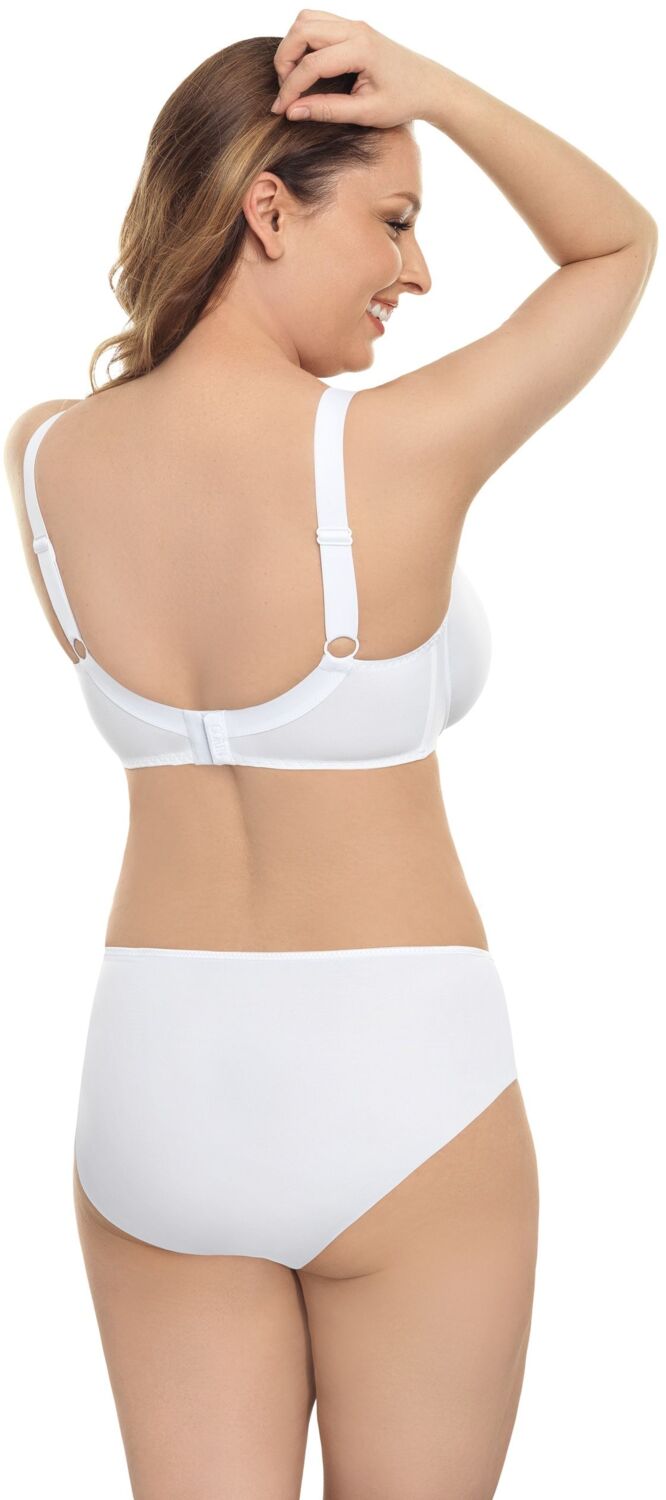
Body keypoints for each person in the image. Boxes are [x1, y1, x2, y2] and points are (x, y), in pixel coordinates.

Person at [4, 15, 657, 1500]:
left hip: (155, 1086)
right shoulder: (391, 452)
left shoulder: (44, 460)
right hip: (399, 1082)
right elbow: (618, 246)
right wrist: (438, 90)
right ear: (268, 209)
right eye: (397, 219)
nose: (417, 273)